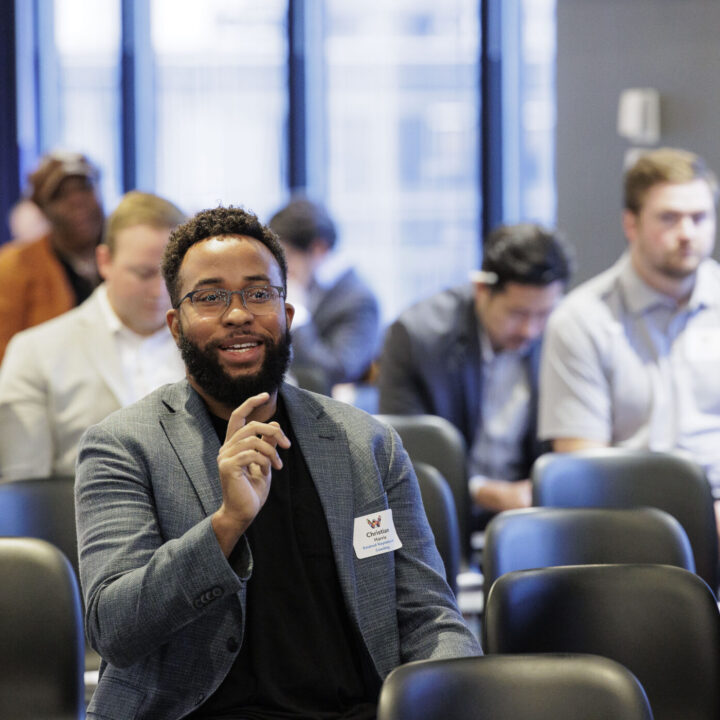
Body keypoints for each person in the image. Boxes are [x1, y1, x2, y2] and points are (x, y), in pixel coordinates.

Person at [75, 205, 481, 720]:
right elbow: (115, 629)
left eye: (259, 292)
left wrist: (450, 695)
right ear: (176, 326)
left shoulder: (367, 445)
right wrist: (226, 525)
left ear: (287, 316)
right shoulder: (123, 446)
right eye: (210, 297)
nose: (238, 313)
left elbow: (429, 618)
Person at [539, 147, 720, 526]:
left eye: (699, 217)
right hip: (631, 527)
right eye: (669, 218)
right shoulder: (581, 320)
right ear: (631, 224)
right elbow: (581, 475)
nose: (687, 233)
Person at [378, 223, 572, 520]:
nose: (529, 330)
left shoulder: (561, 335)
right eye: (517, 313)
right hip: (441, 516)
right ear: (482, 290)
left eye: (543, 314)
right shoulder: (418, 337)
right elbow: (402, 456)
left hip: (530, 515)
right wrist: (485, 492)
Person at [0, 191, 186, 481]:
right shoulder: (36, 351)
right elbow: (23, 491)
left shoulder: (210, 343)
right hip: (73, 522)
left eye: (173, 274)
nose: (160, 290)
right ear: (104, 261)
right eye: (144, 273)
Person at [0, 150, 105, 361]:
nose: (77, 201)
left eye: (84, 187)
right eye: (61, 195)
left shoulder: (126, 253)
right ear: (42, 208)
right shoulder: (14, 267)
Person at [268, 197, 380, 390]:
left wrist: (298, 315)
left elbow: (339, 370)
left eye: (288, 257)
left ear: (319, 249)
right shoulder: (307, 285)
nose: (282, 269)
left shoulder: (358, 299)